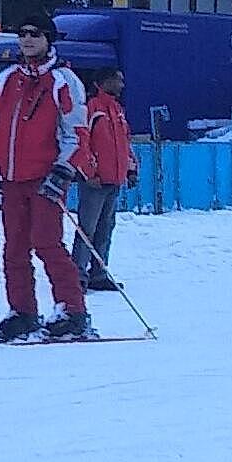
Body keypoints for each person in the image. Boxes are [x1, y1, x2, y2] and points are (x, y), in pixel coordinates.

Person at [0, 14, 89, 340]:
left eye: (35, 34)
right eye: (22, 33)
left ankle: (72, 310)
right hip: (12, 178)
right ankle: (22, 311)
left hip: (45, 178)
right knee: (14, 248)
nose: (27, 39)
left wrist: (64, 170)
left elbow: (77, 133)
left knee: (47, 244)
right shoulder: (6, 80)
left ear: (48, 40)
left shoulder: (63, 81)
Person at [71, 61, 136, 293]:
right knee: (87, 228)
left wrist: (130, 168)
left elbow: (125, 143)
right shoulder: (91, 108)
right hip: (96, 181)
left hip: (114, 179)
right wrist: (89, 172)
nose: (122, 83)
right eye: (118, 79)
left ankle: (98, 273)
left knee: (106, 227)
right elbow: (81, 142)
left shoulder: (117, 110)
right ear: (105, 81)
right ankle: (77, 275)